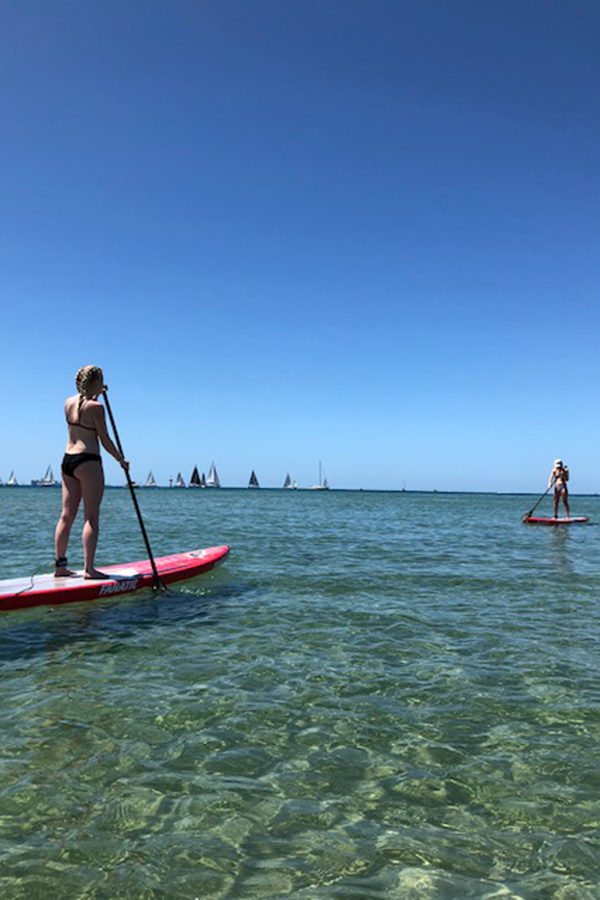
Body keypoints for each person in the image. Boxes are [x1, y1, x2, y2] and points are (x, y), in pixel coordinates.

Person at [54, 366, 129, 578]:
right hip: (88, 462)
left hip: (68, 460)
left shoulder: (68, 403)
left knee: (66, 516)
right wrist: (121, 460)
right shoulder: (97, 407)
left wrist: (95, 393)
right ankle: (89, 569)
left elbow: (81, 407)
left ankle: (60, 566)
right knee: (91, 518)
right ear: (96, 382)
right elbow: (104, 440)